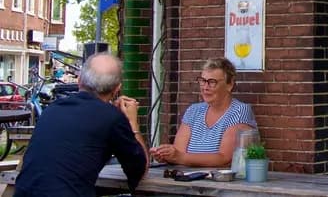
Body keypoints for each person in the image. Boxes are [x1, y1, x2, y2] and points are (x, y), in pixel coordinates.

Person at [14, 53, 148, 197]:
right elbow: (140, 169)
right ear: (117, 88)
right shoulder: (112, 118)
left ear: (79, 81)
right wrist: (132, 122)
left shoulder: (53, 109)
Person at [150, 57, 256, 167]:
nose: (205, 87)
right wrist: (167, 155)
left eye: (212, 82)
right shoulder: (193, 111)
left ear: (230, 85)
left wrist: (179, 157)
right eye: (203, 81)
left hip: (219, 182)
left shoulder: (240, 111)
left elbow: (225, 158)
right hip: (185, 179)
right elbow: (179, 152)